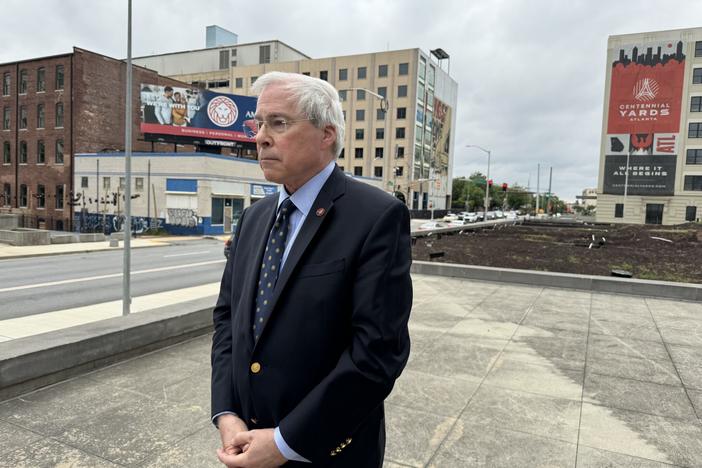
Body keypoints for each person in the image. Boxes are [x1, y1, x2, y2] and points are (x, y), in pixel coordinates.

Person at [211, 71, 412, 467]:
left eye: (279, 123)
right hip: (245, 444)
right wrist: (226, 412)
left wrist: (286, 442)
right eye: (259, 123)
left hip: (328, 452)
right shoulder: (254, 217)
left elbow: (377, 354)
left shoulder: (376, 216)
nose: (261, 136)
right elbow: (227, 319)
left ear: (327, 135)